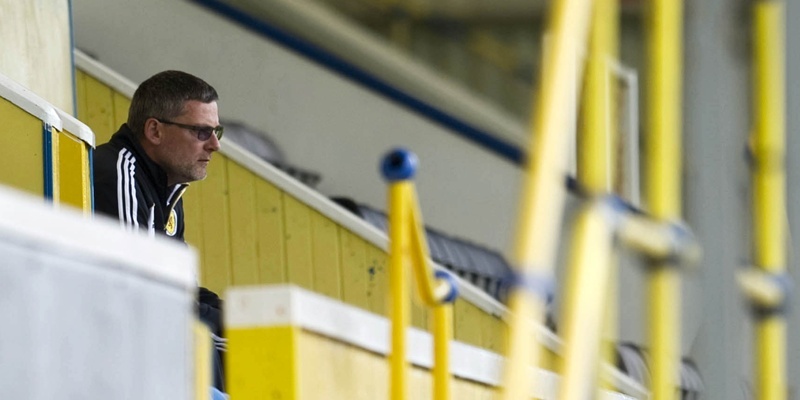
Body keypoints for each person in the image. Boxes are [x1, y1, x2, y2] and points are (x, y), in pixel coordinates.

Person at [92, 70, 227, 393]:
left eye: (216, 130)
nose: (215, 145)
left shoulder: (167, 188)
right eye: (201, 131)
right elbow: (141, 294)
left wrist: (249, 317)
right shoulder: (118, 173)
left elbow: (183, 291)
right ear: (154, 130)